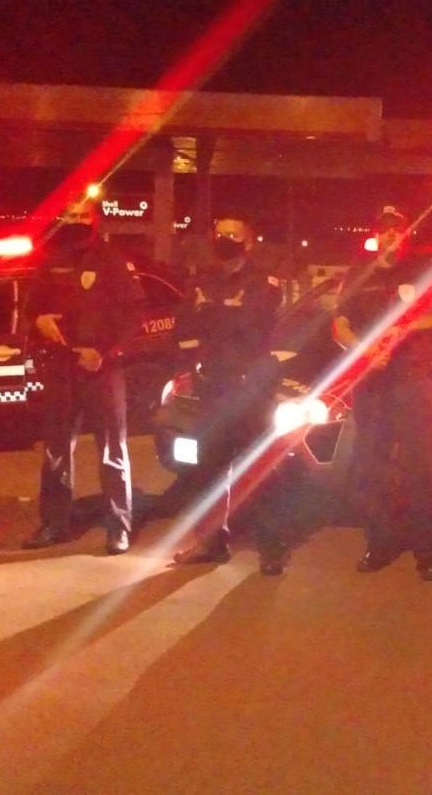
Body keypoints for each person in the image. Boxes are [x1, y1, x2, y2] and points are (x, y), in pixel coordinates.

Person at [332, 206, 432, 582]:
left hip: (411, 380)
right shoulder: (359, 273)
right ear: (375, 235)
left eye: (397, 230)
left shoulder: (421, 271)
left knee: (420, 467)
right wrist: (365, 351)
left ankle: (427, 549)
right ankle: (378, 543)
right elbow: (340, 325)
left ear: (406, 235)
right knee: (372, 466)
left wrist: (406, 329)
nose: (390, 236)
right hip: (373, 383)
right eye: (384, 230)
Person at [169, 217, 294, 574]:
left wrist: (214, 323)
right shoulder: (200, 281)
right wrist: (195, 363)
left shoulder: (264, 284)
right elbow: (185, 327)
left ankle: (271, 546)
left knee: (259, 470)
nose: (225, 239)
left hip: (250, 392)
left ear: (248, 243)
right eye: (220, 234)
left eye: (233, 235)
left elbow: (250, 329)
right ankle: (210, 542)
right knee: (207, 471)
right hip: (212, 390)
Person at [22, 200, 143, 553]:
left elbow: (133, 318)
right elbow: (31, 309)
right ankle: (54, 523)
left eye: (81, 216)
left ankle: (119, 526)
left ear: (95, 220)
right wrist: (39, 321)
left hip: (101, 369)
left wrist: (104, 352)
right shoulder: (52, 260)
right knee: (56, 451)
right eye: (69, 216)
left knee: (112, 451)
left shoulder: (113, 260)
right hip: (62, 368)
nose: (74, 221)